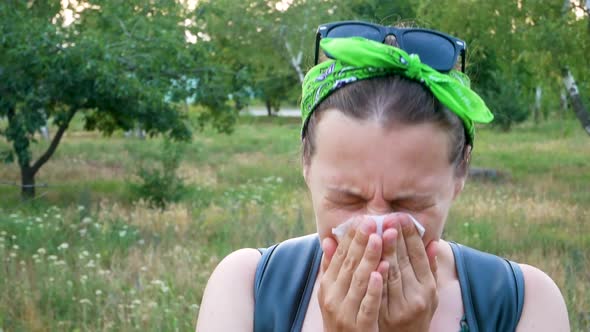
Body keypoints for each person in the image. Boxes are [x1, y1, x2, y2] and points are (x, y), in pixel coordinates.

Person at [196, 21, 570, 332]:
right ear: (306, 162)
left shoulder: (523, 303)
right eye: (347, 199)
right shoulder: (248, 287)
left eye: (409, 203)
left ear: (461, 174)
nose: (375, 228)